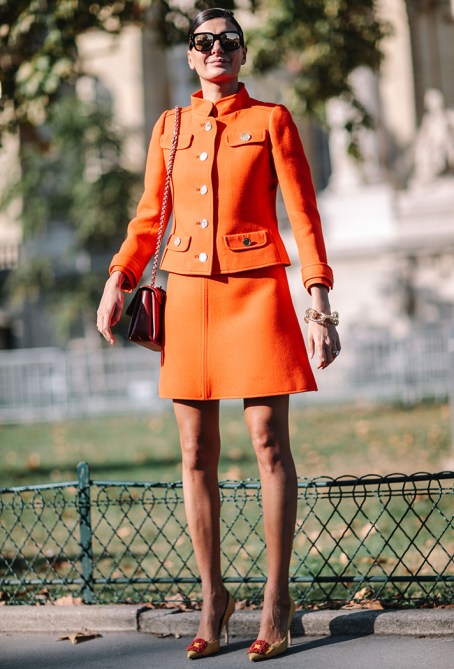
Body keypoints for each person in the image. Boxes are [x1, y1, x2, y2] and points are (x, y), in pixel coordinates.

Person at [97, 7, 341, 662]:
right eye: (203, 41)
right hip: (189, 299)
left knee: (268, 442)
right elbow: (149, 217)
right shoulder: (170, 127)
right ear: (190, 54)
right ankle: (214, 599)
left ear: (242, 53)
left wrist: (319, 303)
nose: (215, 50)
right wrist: (118, 276)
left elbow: (304, 214)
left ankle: (276, 599)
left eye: (228, 40)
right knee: (195, 450)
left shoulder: (272, 120)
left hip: (258, 292)